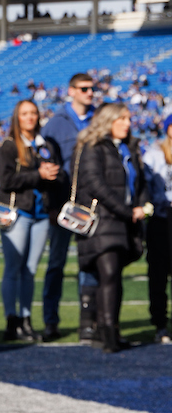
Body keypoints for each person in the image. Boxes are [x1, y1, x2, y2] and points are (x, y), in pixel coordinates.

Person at [76, 103, 146, 353]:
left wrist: (140, 206)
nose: (128, 123)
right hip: (103, 221)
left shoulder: (129, 148)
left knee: (114, 277)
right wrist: (127, 211)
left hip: (123, 222)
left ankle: (113, 329)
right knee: (108, 275)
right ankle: (106, 332)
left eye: (128, 118)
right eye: (122, 118)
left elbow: (139, 182)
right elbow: (95, 183)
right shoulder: (94, 147)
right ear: (109, 121)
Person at [0, 100, 64, 341]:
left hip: (41, 213)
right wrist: (38, 175)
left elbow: (60, 172)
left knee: (30, 270)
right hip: (18, 213)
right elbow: (5, 180)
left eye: (33, 113)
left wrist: (55, 174)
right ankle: (11, 320)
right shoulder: (9, 146)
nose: (30, 117)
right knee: (13, 268)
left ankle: (26, 319)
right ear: (17, 117)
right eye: (25, 113)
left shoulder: (46, 144)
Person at [42, 73, 96, 342]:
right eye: (85, 89)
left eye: (92, 89)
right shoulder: (54, 124)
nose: (90, 93)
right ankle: (50, 320)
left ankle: (88, 320)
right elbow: (47, 167)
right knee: (56, 263)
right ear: (71, 91)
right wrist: (51, 204)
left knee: (88, 263)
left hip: (91, 204)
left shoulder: (99, 119)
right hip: (62, 205)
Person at [143, 113, 172, 343]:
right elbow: (145, 186)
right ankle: (160, 324)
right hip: (161, 218)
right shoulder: (153, 154)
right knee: (158, 275)